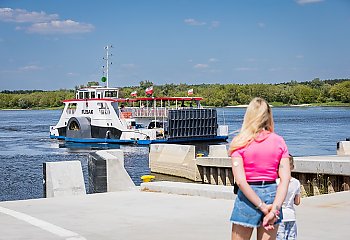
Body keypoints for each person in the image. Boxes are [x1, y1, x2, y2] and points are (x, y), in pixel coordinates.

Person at [228, 97, 291, 240]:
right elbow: (285, 179)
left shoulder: (240, 142)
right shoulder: (279, 141)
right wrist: (274, 210)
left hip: (247, 197)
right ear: (268, 115)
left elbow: (240, 181)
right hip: (272, 195)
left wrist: (261, 206)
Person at [277, 155, 301, 240]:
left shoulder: (277, 182)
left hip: (279, 216)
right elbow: (297, 202)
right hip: (291, 216)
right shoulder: (296, 183)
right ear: (293, 167)